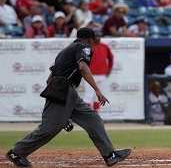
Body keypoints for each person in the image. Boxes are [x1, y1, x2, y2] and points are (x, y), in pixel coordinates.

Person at [5, 27, 131, 167]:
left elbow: (49, 79)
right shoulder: (83, 47)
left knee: (93, 119)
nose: (93, 43)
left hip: (64, 89)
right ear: (89, 39)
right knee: (49, 128)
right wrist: (97, 90)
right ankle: (17, 152)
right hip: (64, 89)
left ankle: (109, 154)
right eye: (93, 40)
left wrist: (63, 113)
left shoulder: (65, 50)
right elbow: (83, 68)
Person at [83, 30, 114, 111]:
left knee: (98, 96)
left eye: (99, 35)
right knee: (88, 96)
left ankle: (96, 115)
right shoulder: (87, 47)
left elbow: (111, 58)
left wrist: (109, 69)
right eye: (96, 35)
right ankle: (87, 116)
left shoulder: (105, 46)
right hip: (90, 75)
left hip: (102, 74)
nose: (98, 37)